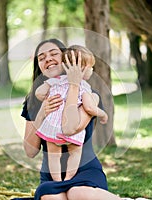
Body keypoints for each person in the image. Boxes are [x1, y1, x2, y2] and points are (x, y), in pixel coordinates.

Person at [21, 38, 121, 200]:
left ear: (69, 59)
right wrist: (42, 113)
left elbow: (70, 129)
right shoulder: (34, 99)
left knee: (77, 193)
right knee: (51, 197)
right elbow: (30, 151)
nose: (48, 59)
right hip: (52, 174)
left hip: (85, 170)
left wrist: (73, 85)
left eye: (54, 54)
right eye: (41, 58)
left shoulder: (88, 95)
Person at [34, 44, 108, 181]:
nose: (92, 70)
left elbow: (39, 92)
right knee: (75, 153)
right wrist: (103, 114)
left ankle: (57, 181)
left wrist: (46, 97)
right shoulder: (85, 88)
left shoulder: (57, 81)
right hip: (71, 129)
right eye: (91, 67)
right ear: (82, 68)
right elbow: (90, 108)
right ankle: (68, 179)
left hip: (52, 125)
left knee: (53, 155)